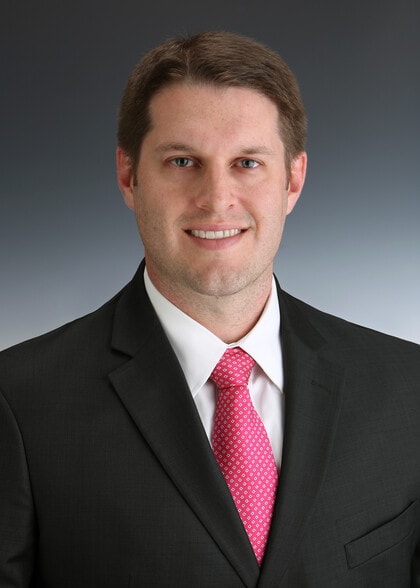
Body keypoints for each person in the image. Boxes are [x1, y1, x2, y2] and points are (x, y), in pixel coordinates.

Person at [0, 31, 419, 588]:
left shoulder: (407, 388)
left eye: (247, 162)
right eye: (182, 161)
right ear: (129, 176)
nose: (217, 199)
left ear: (293, 180)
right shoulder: (19, 404)